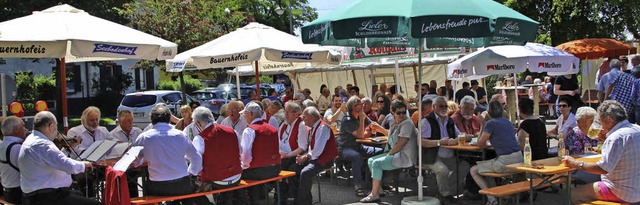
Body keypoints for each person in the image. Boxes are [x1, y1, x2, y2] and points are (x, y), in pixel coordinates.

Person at [562, 100, 640, 204]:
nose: (600, 125)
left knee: (573, 194)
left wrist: (575, 163)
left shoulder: (616, 138)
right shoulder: (637, 129)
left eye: (600, 120)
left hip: (619, 191)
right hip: (636, 189)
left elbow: (602, 168)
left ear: (608, 119)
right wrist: (605, 139)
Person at [18, 111, 100, 205]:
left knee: (79, 194)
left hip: (37, 195)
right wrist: (83, 165)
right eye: (56, 127)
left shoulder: (32, 139)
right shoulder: (43, 144)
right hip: (47, 197)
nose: (57, 132)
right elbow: (67, 165)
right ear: (51, 126)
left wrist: (69, 149)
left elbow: (55, 159)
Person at [133, 105, 204, 205]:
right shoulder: (180, 135)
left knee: (147, 186)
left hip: (157, 185)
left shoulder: (144, 137)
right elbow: (196, 159)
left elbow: (134, 160)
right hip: (181, 183)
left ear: (152, 120)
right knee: (190, 190)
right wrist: (191, 173)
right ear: (169, 119)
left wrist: (143, 159)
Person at [360, 100, 418, 203]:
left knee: (376, 163)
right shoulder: (394, 123)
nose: (402, 115)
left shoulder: (407, 123)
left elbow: (401, 143)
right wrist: (379, 129)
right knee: (370, 160)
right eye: (399, 113)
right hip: (395, 152)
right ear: (393, 113)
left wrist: (389, 153)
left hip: (404, 156)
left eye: (404, 112)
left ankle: (374, 194)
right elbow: (390, 135)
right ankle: (379, 189)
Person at [469, 101, 523, 205]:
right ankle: (496, 196)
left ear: (488, 112)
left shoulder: (490, 124)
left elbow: (480, 143)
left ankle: (492, 199)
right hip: (519, 159)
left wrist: (482, 125)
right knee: (487, 170)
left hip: (506, 161)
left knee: (473, 170)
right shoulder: (507, 122)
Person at [420, 96, 469, 201]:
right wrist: (439, 142)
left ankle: (446, 192)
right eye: (441, 106)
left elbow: (459, 135)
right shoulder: (427, 121)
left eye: (445, 106)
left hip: (449, 155)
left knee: (464, 166)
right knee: (442, 171)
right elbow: (420, 142)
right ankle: (446, 195)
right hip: (432, 156)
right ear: (434, 107)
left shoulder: (449, 120)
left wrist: (458, 139)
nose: (444, 108)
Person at [191, 107, 242, 205]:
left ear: (198, 123)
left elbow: (196, 163)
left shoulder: (200, 138)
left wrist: (190, 173)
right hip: (236, 176)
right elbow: (241, 151)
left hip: (216, 179)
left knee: (190, 187)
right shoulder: (232, 131)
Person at [338, 96, 383, 197]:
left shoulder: (360, 115)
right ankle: (358, 186)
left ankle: (378, 183)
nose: (362, 106)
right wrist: (363, 121)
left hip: (359, 146)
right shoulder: (347, 119)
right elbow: (360, 135)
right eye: (360, 104)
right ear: (354, 107)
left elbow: (373, 125)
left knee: (382, 151)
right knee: (356, 157)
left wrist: (385, 131)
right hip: (345, 148)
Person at [67, 106, 115, 197]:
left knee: (120, 174)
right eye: (92, 120)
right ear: (84, 120)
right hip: (82, 167)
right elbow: (76, 153)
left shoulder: (103, 130)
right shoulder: (74, 132)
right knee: (85, 178)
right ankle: (90, 200)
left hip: (101, 166)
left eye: (97, 119)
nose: (95, 123)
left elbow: (113, 143)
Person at [295, 107, 339, 205]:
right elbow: (312, 148)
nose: (303, 119)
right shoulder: (314, 127)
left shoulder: (323, 127)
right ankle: (299, 198)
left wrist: (305, 157)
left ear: (311, 117)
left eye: (304, 117)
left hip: (324, 160)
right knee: (294, 167)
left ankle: (302, 202)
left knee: (305, 173)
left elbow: (318, 151)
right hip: (316, 158)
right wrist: (302, 157)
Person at [239, 102, 281, 203]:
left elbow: (246, 157)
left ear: (250, 114)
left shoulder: (249, 131)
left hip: (257, 171)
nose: (244, 117)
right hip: (275, 169)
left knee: (234, 177)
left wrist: (241, 166)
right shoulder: (273, 129)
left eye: (245, 115)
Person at [277, 102, 309, 202]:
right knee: (275, 170)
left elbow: (303, 147)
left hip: (298, 156)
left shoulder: (301, 125)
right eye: (285, 112)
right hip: (284, 156)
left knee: (293, 170)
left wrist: (288, 155)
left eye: (288, 112)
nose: (285, 115)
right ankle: (281, 197)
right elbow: (277, 141)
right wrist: (280, 153)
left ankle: (297, 199)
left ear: (296, 114)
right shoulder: (283, 124)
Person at [110, 110, 144, 197]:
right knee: (130, 175)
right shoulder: (113, 134)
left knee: (150, 173)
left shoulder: (138, 131)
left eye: (132, 120)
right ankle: (132, 200)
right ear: (120, 121)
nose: (131, 123)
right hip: (123, 165)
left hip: (138, 163)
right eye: (128, 121)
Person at [564, 107, 601, 184]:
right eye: (591, 120)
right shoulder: (574, 134)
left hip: (593, 164)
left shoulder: (593, 132)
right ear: (580, 121)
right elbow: (576, 156)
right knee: (601, 175)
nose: (594, 123)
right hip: (578, 168)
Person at [0, 116, 26, 204]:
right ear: (15, 129)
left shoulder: (2, 145)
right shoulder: (16, 147)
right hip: (19, 193)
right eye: (23, 126)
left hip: (8, 191)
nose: (25, 129)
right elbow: (29, 170)